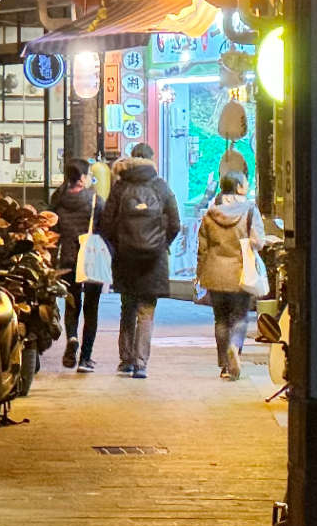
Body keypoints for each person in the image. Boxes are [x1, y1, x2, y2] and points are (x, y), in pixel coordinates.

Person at [99, 142, 179, 379]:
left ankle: (126, 361)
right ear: (152, 159)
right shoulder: (161, 187)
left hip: (126, 258)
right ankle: (141, 363)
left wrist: (120, 245)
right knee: (147, 310)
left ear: (131, 159)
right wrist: (161, 244)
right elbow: (175, 223)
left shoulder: (120, 187)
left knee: (128, 308)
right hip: (154, 259)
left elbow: (106, 224)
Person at [196, 173, 264, 380]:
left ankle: (225, 365)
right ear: (238, 187)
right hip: (240, 272)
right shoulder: (250, 211)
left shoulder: (210, 214)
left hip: (215, 272)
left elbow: (202, 248)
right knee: (239, 317)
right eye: (245, 182)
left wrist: (200, 274)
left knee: (221, 319)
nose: (248, 185)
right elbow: (258, 241)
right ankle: (235, 346)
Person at [48, 159, 105, 372]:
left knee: (72, 304)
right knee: (91, 309)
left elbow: (51, 229)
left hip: (67, 259)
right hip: (91, 258)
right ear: (82, 177)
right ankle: (85, 359)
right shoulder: (94, 200)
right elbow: (105, 228)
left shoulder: (58, 199)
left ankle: (72, 337)